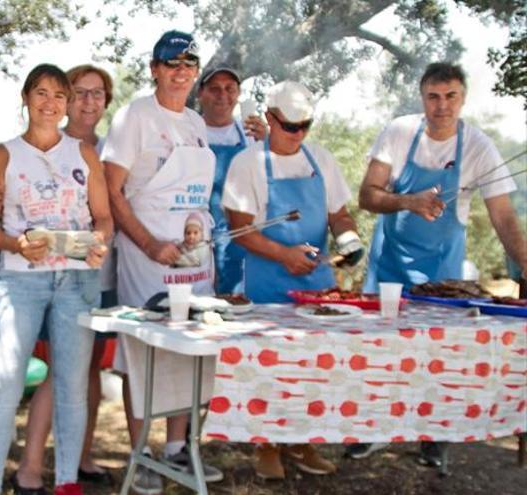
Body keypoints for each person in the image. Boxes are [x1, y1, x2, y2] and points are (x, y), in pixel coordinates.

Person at [352, 62, 527, 465]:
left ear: (462, 99)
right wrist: (408, 201)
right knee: (380, 350)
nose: (442, 106)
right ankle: (373, 431)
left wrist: (524, 262)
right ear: (422, 98)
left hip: (441, 270)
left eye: (450, 96)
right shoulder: (398, 132)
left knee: (439, 354)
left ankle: (434, 441)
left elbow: (502, 216)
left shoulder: (479, 146)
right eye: (433, 96)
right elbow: (367, 195)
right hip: (390, 263)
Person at [0, 63, 112, 495]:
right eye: (41, 93)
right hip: (21, 281)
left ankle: (68, 482)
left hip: (76, 281)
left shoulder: (84, 154)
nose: (50, 103)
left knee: (72, 386)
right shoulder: (5, 154)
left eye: (59, 95)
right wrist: (16, 244)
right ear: (25, 98)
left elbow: (104, 218)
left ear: (67, 103)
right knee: (3, 384)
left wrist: (99, 243)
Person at [103, 30, 224, 491]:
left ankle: (178, 449)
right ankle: (139, 454)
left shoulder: (195, 123)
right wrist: (151, 244)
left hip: (195, 261)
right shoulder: (135, 116)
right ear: (155, 68)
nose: (181, 71)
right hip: (147, 259)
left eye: (189, 64)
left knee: (190, 353)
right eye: (172, 63)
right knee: (145, 354)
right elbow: (112, 191)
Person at [222, 80, 363, 479]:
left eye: (305, 126)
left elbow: (339, 214)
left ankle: (303, 442)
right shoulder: (247, 164)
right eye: (289, 126)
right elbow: (239, 230)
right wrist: (284, 254)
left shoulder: (321, 160)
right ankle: (266, 445)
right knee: (269, 367)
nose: (297, 134)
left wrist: (349, 240)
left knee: (315, 368)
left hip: (316, 284)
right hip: (267, 283)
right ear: (270, 118)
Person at [17, 64, 116, 488]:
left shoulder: (111, 148)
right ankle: (31, 465)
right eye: (79, 92)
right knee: (62, 370)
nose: (88, 102)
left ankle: (80, 456)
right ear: (63, 98)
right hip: (51, 278)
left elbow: (110, 214)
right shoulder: (43, 147)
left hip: (103, 273)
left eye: (98, 94)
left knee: (89, 369)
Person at [197, 65, 266, 293]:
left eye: (230, 89)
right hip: (194, 229)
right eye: (214, 89)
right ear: (201, 94)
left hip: (237, 233)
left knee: (234, 298)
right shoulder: (189, 130)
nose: (223, 96)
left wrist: (269, 142)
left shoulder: (249, 133)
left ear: (238, 94)